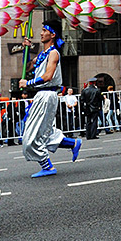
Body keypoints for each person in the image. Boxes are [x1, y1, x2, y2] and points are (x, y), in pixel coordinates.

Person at [18, 20, 82, 178]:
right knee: (42, 132)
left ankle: (47, 166)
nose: (41, 33)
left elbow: (47, 76)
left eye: (44, 30)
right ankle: (72, 143)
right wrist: (26, 50)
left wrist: (28, 83)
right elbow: (27, 67)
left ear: (52, 34)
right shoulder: (42, 54)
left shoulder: (54, 53)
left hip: (47, 94)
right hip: (42, 95)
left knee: (31, 135)